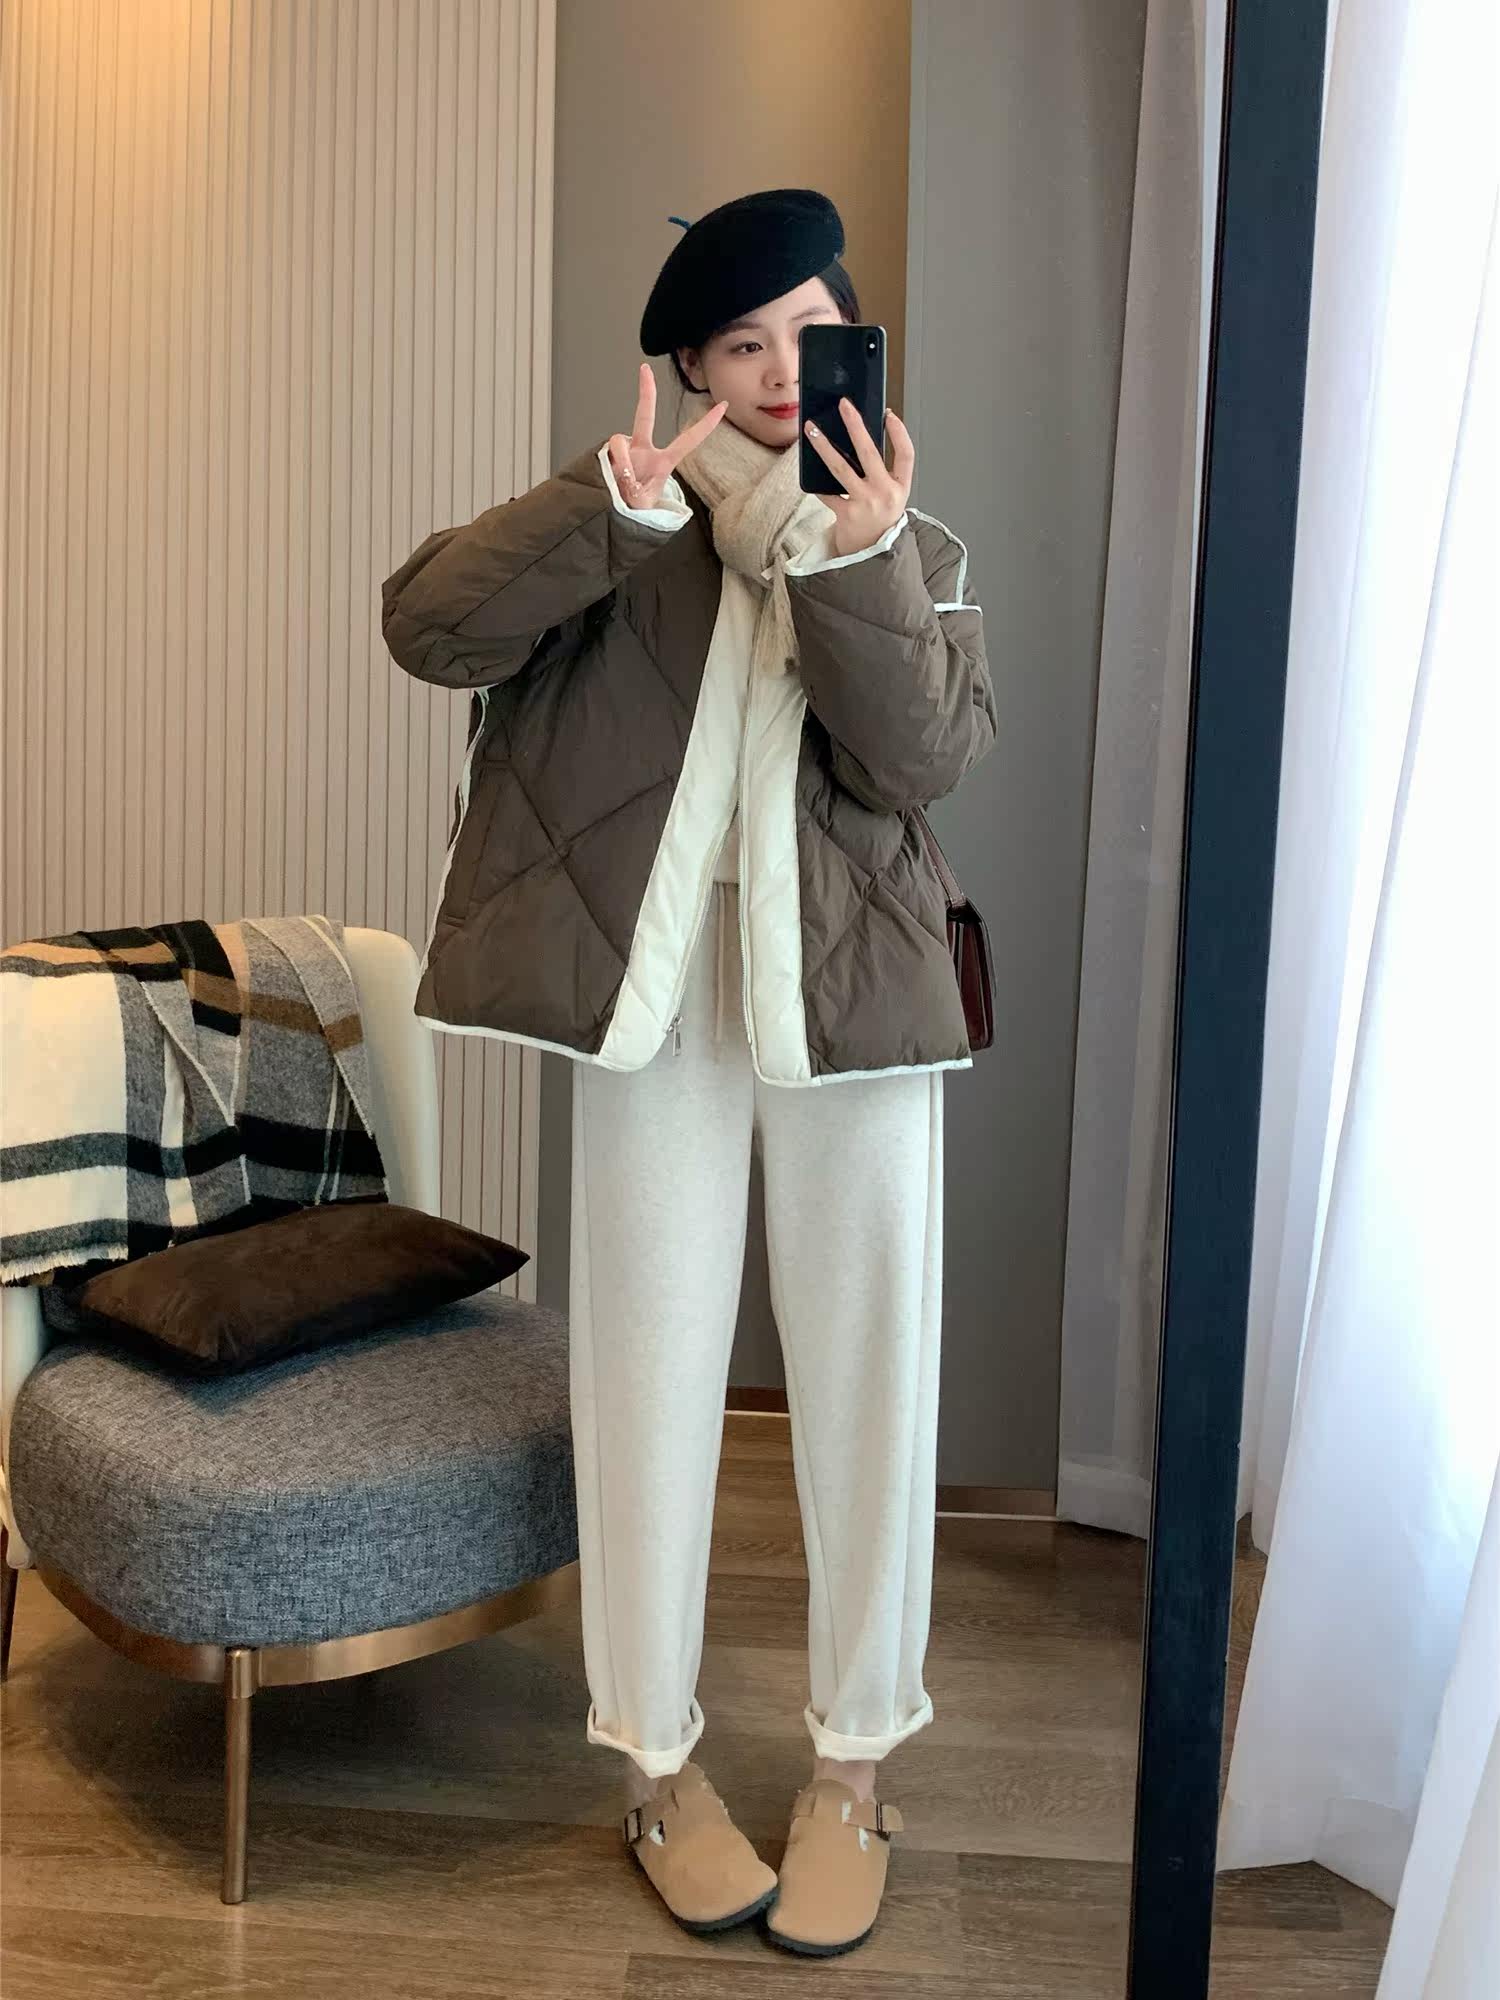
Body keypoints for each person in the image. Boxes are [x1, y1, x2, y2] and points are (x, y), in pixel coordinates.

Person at [381, 188, 996, 1957]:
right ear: (689, 370)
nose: (786, 369)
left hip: (853, 1008)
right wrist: (604, 508)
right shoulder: (625, 527)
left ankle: (857, 1766)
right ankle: (654, 1766)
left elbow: (922, 762)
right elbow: (427, 628)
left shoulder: (915, 542)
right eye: (744, 342)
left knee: (873, 1371)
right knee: (645, 1375)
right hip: (657, 1005)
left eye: (814, 329)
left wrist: (862, 562)